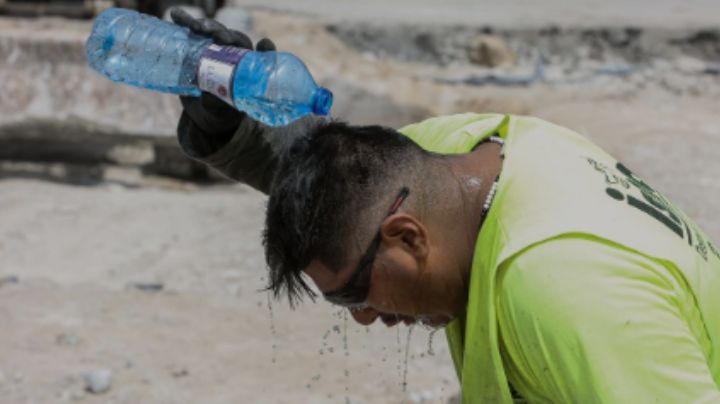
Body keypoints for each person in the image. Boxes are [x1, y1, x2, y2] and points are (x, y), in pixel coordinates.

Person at [170, 9, 720, 403]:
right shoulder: (455, 152)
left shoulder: (561, 290)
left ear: (410, 237)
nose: (363, 318)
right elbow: (349, 187)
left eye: (353, 295)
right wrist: (240, 128)